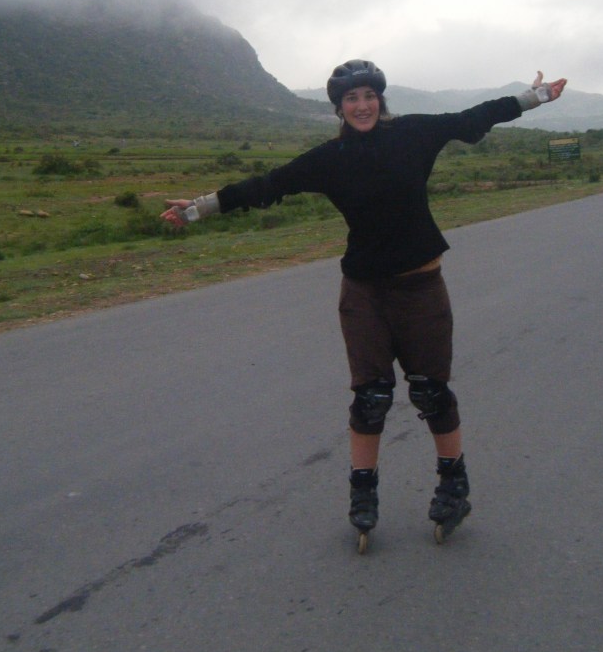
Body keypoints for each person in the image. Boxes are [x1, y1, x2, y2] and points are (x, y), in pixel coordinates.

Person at [161, 60, 566, 545]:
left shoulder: (414, 134)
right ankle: (363, 494)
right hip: (364, 293)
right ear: (339, 107)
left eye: (369, 95)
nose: (362, 105)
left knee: (431, 392)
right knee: (371, 398)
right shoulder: (330, 158)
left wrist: (533, 98)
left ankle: (453, 484)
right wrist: (200, 208)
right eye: (351, 98)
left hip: (421, 287)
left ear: (380, 99)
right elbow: (269, 185)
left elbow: (472, 118)